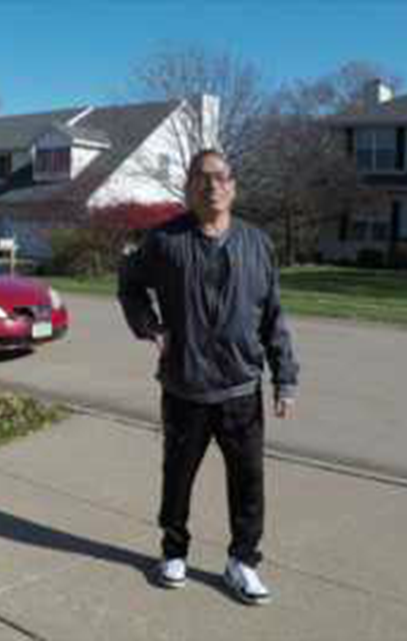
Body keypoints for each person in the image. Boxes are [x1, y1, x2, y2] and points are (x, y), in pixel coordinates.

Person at [118, 149, 300, 606]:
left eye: (220, 177)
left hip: (241, 389)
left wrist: (285, 377)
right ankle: (173, 552)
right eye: (201, 177)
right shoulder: (164, 241)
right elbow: (129, 283)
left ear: (233, 187)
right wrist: (149, 325)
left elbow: (273, 314)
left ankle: (242, 561)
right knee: (177, 477)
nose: (212, 185)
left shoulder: (257, 242)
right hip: (185, 386)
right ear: (188, 188)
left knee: (248, 483)